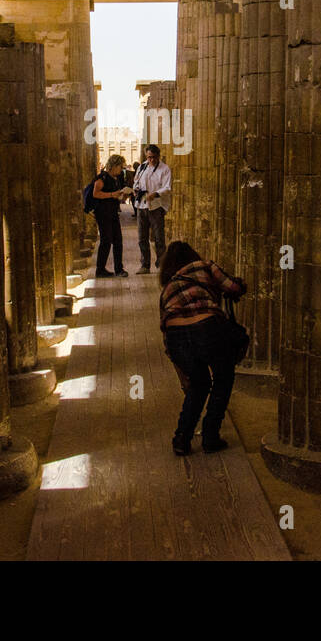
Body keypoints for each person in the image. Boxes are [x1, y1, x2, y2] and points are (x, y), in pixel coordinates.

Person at [158, 241, 246, 455]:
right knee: (223, 379)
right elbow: (233, 287)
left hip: (176, 336)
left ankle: (181, 438)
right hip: (208, 328)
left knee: (199, 384)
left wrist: (180, 368)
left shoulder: (168, 288)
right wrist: (240, 285)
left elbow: (165, 330)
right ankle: (210, 436)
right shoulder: (204, 266)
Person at [132, 144, 170, 274]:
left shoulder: (164, 169)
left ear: (158, 156)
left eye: (154, 157)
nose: (151, 160)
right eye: (149, 157)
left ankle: (161, 265)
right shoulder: (142, 166)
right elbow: (136, 181)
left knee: (159, 237)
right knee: (142, 237)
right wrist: (136, 190)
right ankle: (145, 265)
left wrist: (155, 194)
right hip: (141, 206)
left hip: (156, 206)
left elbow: (167, 187)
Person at [91, 154, 131, 278]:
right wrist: (112, 194)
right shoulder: (102, 177)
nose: (121, 170)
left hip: (112, 213)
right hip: (103, 214)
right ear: (113, 165)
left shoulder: (116, 179)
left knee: (118, 241)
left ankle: (119, 269)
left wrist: (122, 196)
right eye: (120, 167)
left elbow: (114, 195)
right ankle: (100, 269)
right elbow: (96, 194)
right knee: (106, 241)